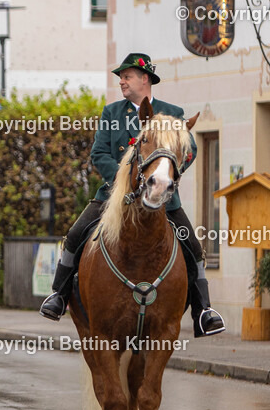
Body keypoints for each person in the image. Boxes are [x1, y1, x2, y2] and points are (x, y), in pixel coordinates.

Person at [39, 52, 225, 338]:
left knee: (194, 246)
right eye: (120, 78)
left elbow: (190, 149)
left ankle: (204, 311)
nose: (122, 81)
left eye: (127, 76)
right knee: (75, 235)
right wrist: (122, 180)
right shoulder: (112, 113)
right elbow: (98, 153)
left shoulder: (172, 113)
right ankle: (58, 296)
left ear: (145, 78)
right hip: (115, 194)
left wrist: (170, 174)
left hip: (162, 197)